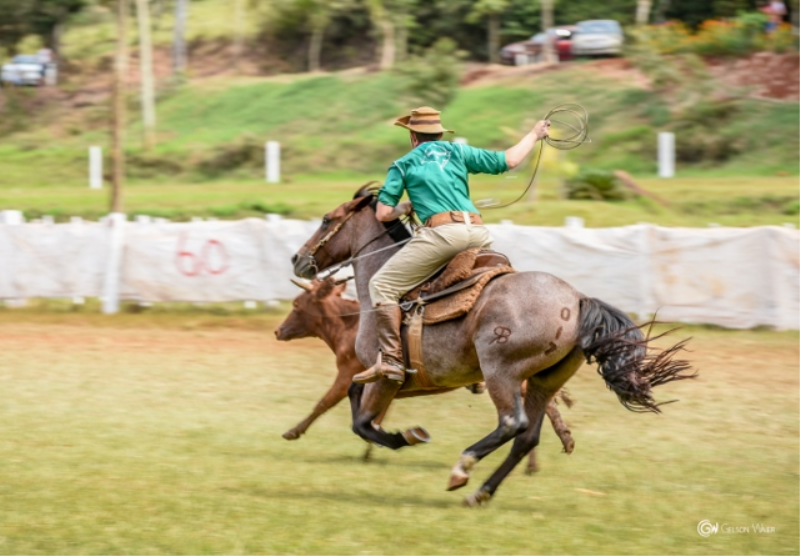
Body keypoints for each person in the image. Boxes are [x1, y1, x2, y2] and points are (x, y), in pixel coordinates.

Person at [352, 106, 550, 385]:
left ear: (413, 137)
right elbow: (511, 160)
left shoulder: (403, 164)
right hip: (479, 233)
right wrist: (534, 133)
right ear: (439, 134)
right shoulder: (459, 152)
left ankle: (392, 360)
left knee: (382, 286)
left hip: (443, 235)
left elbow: (383, 213)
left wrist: (406, 205)